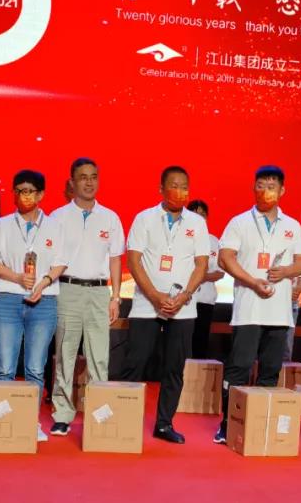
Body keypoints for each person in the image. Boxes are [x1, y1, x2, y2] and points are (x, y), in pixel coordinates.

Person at [213, 166, 301, 445]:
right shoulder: (240, 222)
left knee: (270, 370)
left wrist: (286, 271)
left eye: (271, 186)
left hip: (279, 313)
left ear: (282, 191)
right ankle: (228, 423)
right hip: (249, 310)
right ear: (253, 188)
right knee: (239, 368)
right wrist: (252, 281)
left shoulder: (292, 226)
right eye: (260, 186)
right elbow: (225, 258)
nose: (265, 191)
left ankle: (258, 424)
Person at [118, 166, 209, 444]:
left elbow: (201, 264)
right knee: (135, 363)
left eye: (184, 187)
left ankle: (164, 423)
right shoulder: (144, 218)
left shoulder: (197, 223)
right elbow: (133, 261)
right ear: (161, 189)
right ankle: (124, 420)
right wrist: (155, 296)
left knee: (174, 368)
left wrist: (184, 296)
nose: (180, 192)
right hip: (146, 305)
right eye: (174, 186)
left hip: (183, 309)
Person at [0, 169, 67, 442]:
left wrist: (42, 283)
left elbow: (60, 263)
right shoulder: (2, 225)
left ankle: (30, 422)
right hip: (7, 299)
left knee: (35, 367)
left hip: (44, 301)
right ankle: (4, 422)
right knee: (5, 367)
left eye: (29, 191)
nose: (24, 196)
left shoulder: (55, 226)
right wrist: (18, 278)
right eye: (19, 191)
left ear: (41, 194)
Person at [49, 158, 125, 437]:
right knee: (65, 355)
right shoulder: (57, 217)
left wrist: (116, 297)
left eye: (94, 176)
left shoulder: (110, 217)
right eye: (83, 177)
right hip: (66, 290)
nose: (89, 182)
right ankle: (62, 413)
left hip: (99, 292)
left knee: (99, 357)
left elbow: (116, 259)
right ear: (72, 182)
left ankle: (98, 415)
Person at [188, 199, 225, 359]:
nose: (199, 218)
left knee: (200, 342)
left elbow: (220, 273)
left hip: (204, 300)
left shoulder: (214, 241)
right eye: (195, 214)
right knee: (180, 342)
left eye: (202, 214)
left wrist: (202, 276)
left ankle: (196, 373)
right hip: (182, 299)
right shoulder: (181, 238)